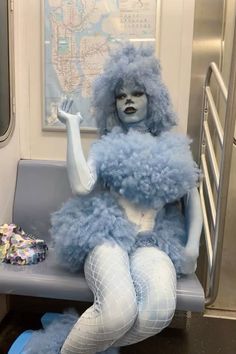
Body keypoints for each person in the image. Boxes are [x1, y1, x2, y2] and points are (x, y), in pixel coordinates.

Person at [50, 43, 201, 354]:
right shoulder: (107, 146)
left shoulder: (174, 148)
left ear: (153, 97)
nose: (128, 100)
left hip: (153, 240)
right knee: (119, 310)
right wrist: (73, 129)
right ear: (113, 104)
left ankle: (80, 345)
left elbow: (192, 198)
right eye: (121, 95)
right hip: (108, 233)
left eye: (137, 93)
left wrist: (193, 245)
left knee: (158, 311)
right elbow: (81, 185)